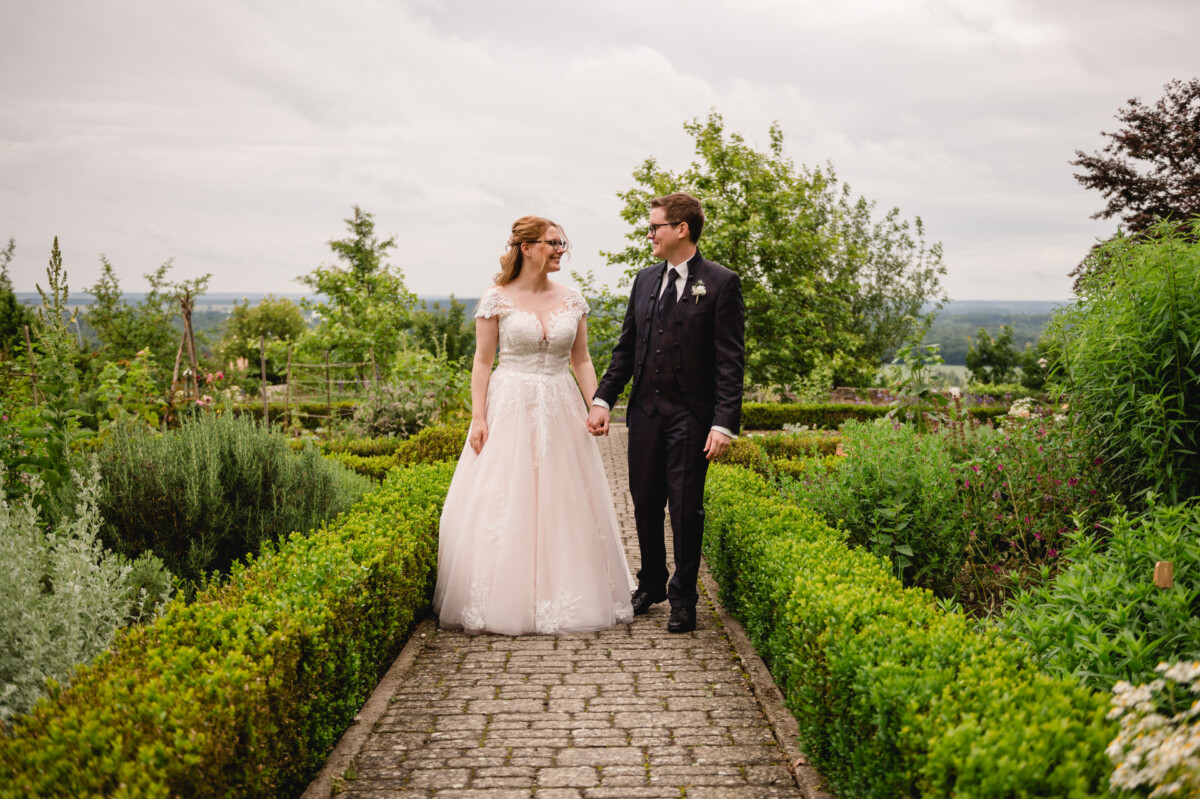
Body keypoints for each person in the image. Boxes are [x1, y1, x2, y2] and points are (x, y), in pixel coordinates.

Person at [434, 215, 635, 635]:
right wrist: (478, 416)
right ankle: (505, 597)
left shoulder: (573, 299)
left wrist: (598, 404)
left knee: (565, 498)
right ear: (526, 248)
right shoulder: (496, 299)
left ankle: (568, 590)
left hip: (560, 404)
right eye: (552, 243)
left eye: (563, 243)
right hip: (510, 405)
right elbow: (482, 362)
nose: (561, 249)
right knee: (506, 495)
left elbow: (580, 358)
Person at [587, 192, 745, 634]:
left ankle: (684, 597)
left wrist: (723, 423)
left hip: (692, 417)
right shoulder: (643, 280)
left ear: (682, 230)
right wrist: (603, 400)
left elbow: (731, 362)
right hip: (646, 414)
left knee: (685, 508)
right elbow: (625, 350)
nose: (649, 233)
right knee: (644, 501)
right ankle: (652, 582)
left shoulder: (720, 283)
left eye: (655, 226)